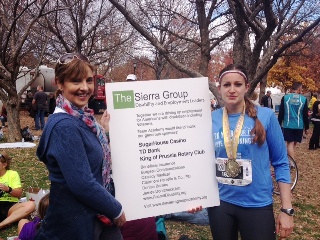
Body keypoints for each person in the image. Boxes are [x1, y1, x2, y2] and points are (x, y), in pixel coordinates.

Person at [34, 53, 126, 240]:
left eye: (89, 80)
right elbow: (83, 183)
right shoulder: (65, 126)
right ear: (60, 83)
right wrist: (115, 209)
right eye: (76, 81)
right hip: (73, 225)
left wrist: (105, 133)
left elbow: (93, 161)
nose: (85, 88)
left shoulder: (83, 118)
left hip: (95, 217)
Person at [209, 64, 294, 240]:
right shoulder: (211, 118)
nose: (232, 90)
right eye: (226, 85)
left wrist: (287, 209)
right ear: (219, 88)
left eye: (238, 84)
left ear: (247, 87)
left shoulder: (266, 116)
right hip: (220, 204)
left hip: (257, 204)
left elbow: (281, 163)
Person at [0, 151, 36, 230]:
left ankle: (2, 224)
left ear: (4, 165)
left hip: (11, 206)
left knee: (31, 205)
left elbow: (19, 194)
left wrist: (8, 189)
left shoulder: (12, 174)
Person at [278, 82, 309, 160]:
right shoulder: (303, 99)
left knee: (291, 143)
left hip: (288, 124)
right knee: (292, 143)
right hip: (299, 125)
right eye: (301, 89)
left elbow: (281, 112)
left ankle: (289, 158)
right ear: (299, 89)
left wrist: (278, 123)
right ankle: (292, 161)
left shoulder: (285, 98)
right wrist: (307, 127)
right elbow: (305, 114)